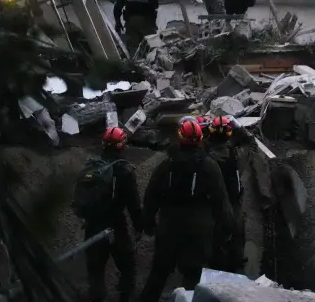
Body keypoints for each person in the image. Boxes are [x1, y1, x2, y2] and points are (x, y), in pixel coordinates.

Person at [138, 120, 232, 302]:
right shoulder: (209, 166)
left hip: (169, 227)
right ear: (200, 139)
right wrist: (226, 228)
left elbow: (151, 196)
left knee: (158, 274)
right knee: (193, 278)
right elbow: (221, 200)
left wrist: (148, 222)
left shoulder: (167, 165)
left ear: (179, 137)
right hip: (198, 229)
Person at [71, 127, 143, 302]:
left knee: (95, 270)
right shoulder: (125, 171)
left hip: (93, 226)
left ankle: (97, 296)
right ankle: (125, 296)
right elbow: (133, 204)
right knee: (127, 266)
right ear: (122, 145)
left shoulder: (91, 167)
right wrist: (139, 226)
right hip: (116, 226)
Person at [206, 116, 257, 273]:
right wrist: (239, 128)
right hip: (234, 205)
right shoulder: (236, 156)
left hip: (213, 208)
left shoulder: (206, 159)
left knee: (215, 247)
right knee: (237, 244)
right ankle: (237, 273)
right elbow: (252, 145)